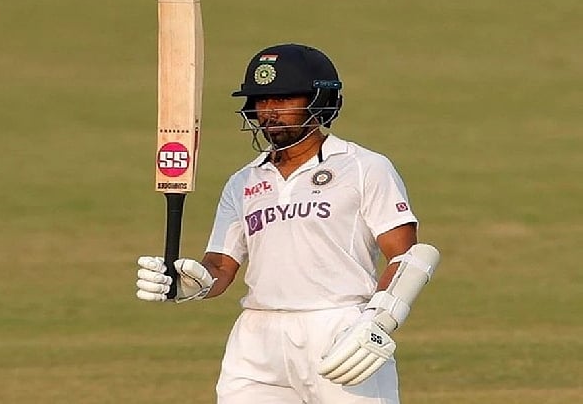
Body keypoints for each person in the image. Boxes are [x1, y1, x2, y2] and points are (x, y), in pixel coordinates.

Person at [136, 43, 440, 404]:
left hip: (338, 327)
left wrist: (377, 323)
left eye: (282, 99)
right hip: (256, 337)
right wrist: (190, 283)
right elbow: (220, 266)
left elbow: (406, 256)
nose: (269, 111)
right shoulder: (242, 181)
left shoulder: (363, 167)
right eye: (261, 101)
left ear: (320, 100)